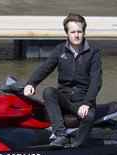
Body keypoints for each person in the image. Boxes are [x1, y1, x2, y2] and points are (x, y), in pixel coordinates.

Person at [24, 13, 102, 147]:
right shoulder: (60, 50)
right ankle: (60, 135)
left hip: (82, 101)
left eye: (79, 31)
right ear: (67, 33)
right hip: (64, 99)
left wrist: (87, 103)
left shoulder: (93, 53)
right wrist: (31, 83)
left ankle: (77, 146)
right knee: (48, 92)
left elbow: (96, 81)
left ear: (84, 32)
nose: (76, 35)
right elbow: (45, 67)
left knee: (89, 116)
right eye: (73, 32)